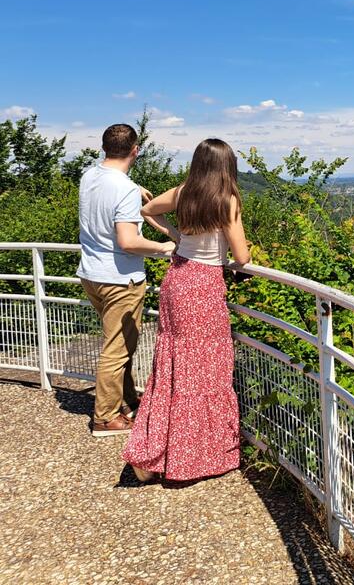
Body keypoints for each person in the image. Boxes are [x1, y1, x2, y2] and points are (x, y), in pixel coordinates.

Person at [122, 138, 251, 483]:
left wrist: (177, 237)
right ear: (227, 167)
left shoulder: (183, 192)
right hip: (206, 286)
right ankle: (195, 456)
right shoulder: (227, 200)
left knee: (174, 366)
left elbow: (149, 211)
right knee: (207, 369)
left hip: (177, 279)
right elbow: (241, 257)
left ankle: (154, 451)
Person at [77, 124, 176, 437]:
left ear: (105, 147)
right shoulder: (124, 189)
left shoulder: (90, 176)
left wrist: (135, 188)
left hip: (91, 275)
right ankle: (105, 417)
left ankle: (126, 400)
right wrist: (166, 246)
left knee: (118, 344)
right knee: (117, 350)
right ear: (136, 150)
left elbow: (110, 187)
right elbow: (129, 241)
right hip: (120, 279)